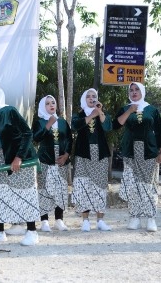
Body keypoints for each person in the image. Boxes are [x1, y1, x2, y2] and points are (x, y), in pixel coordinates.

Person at [0, 84, 40, 246]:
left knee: (25, 194)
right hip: (0, 160)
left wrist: (19, 157)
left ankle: (32, 232)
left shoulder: (8, 111)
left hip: (20, 159)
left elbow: (27, 133)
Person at [113, 82, 161, 232]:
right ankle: (134, 217)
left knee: (149, 186)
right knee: (133, 185)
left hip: (149, 152)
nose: (134, 92)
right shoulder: (125, 108)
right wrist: (130, 111)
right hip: (131, 152)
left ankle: (150, 218)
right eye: (131, 90)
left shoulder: (152, 110)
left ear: (142, 91)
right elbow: (116, 126)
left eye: (137, 90)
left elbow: (160, 132)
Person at [71, 88, 112, 232]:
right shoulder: (79, 115)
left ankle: (100, 221)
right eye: (88, 96)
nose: (91, 98)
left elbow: (108, 127)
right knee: (84, 186)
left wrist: (99, 112)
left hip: (100, 155)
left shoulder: (102, 114)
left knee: (100, 187)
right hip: (83, 155)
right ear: (84, 99)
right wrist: (91, 115)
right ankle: (85, 221)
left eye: (94, 96)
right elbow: (75, 126)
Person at [32, 95, 72, 232]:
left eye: (53, 102)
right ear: (43, 106)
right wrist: (48, 124)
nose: (51, 105)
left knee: (60, 190)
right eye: (48, 103)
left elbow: (69, 140)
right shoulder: (39, 122)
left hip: (61, 163)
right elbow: (36, 138)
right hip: (45, 161)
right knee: (44, 191)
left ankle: (59, 220)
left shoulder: (63, 122)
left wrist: (66, 155)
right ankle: (44, 221)